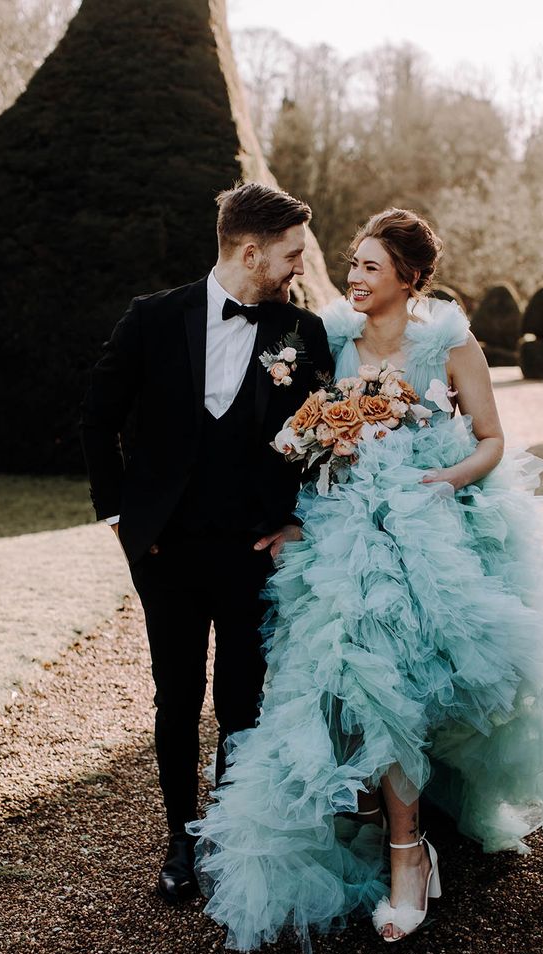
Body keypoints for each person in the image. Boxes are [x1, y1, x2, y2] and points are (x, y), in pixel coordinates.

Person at [190, 208, 543, 953]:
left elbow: (492, 438)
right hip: (338, 532)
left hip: (431, 532)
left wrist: (445, 478)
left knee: (401, 683)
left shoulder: (449, 344)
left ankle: (409, 852)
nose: (355, 276)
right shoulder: (324, 340)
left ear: (408, 277)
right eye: (352, 263)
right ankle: (369, 820)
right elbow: (292, 428)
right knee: (335, 682)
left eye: (371, 266)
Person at [80, 182, 334, 905]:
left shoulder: (301, 334)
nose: (296, 267)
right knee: (176, 695)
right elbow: (98, 417)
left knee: (241, 701)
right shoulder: (152, 319)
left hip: (254, 551)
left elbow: (326, 442)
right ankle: (176, 839)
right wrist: (117, 516)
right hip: (165, 552)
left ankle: (226, 833)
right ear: (249, 251)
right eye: (289, 254)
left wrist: (297, 523)